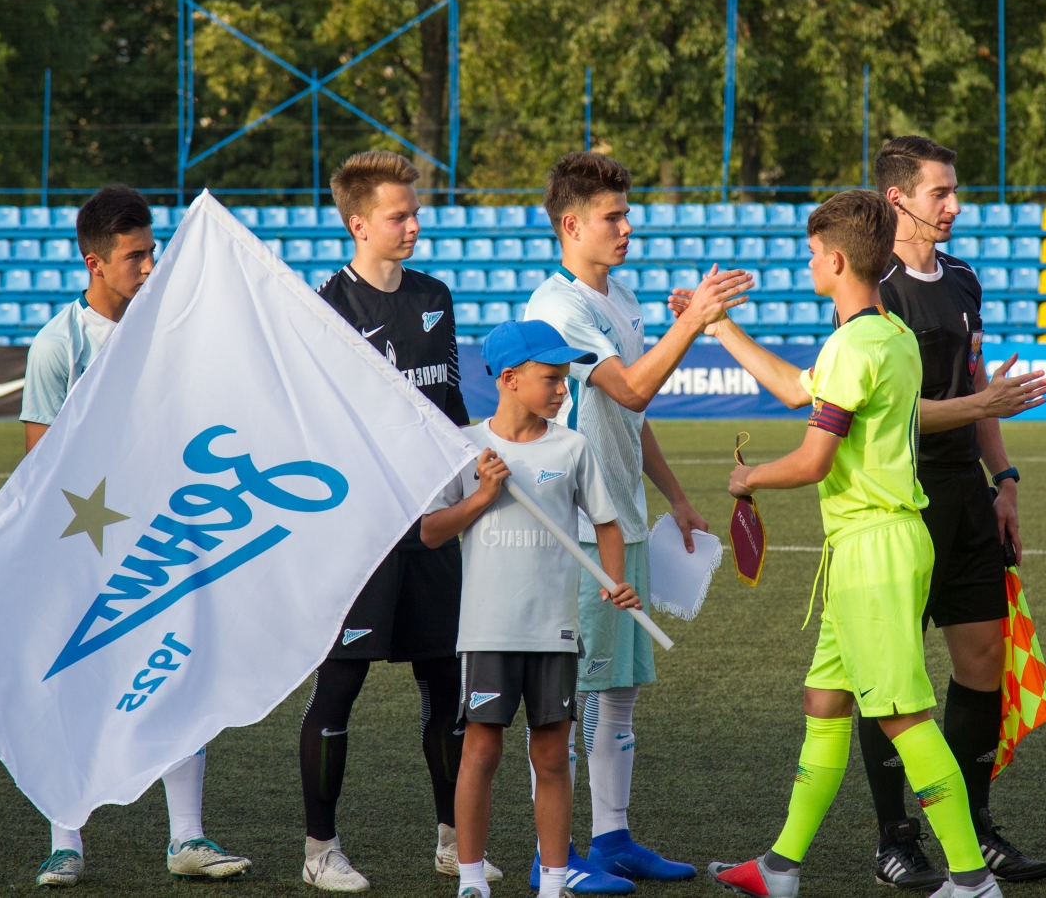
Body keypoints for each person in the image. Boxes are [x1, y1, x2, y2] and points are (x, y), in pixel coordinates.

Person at [700, 188, 1002, 898]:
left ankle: (970, 880)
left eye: (812, 253)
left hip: (873, 551)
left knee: (901, 713)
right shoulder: (888, 334)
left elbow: (811, 461)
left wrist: (749, 476)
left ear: (834, 259)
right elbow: (795, 389)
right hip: (876, 544)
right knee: (825, 699)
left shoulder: (851, 346)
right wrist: (720, 327)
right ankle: (780, 866)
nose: (810, 262)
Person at [524, 151, 751, 890]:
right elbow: (627, 385)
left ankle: (612, 836)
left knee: (618, 690)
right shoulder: (559, 308)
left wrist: (676, 496)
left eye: (627, 212)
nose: (628, 226)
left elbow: (634, 417)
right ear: (571, 224)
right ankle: (551, 856)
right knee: (569, 695)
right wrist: (694, 321)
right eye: (613, 216)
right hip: (577, 529)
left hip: (620, 518)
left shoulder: (619, 294)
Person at [21, 186, 252, 886]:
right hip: (83, 544)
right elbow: (38, 459)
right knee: (76, 681)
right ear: (95, 261)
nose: (149, 267)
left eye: (152, 252)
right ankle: (67, 838)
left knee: (181, 675)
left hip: (167, 536)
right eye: (134, 256)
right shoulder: (58, 343)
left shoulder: (171, 331)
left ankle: (187, 837)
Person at [300, 151, 487, 891]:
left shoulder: (434, 293)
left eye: (415, 212)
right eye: (398, 216)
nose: (414, 225)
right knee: (339, 688)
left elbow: (448, 409)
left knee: (447, 684)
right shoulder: (325, 308)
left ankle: (452, 839)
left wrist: (475, 480)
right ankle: (320, 849)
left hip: (435, 522)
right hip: (362, 535)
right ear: (357, 224)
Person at [871, 136, 1046, 883]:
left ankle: (973, 830)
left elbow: (979, 384)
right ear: (898, 198)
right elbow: (885, 412)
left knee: (982, 663)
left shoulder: (965, 279)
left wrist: (1003, 478)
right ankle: (896, 838)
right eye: (940, 192)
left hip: (967, 499)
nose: (954, 204)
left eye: (954, 191)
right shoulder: (875, 286)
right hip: (897, 499)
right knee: (891, 674)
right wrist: (980, 401)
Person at [422, 319, 640, 898]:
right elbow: (430, 533)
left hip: (554, 631)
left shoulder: (571, 447)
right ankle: (471, 878)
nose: (561, 390)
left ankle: (552, 881)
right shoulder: (465, 447)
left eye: (565, 379)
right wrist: (484, 495)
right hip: (488, 633)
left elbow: (607, 525)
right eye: (550, 378)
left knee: (552, 757)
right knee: (481, 751)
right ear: (511, 379)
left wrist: (613, 581)